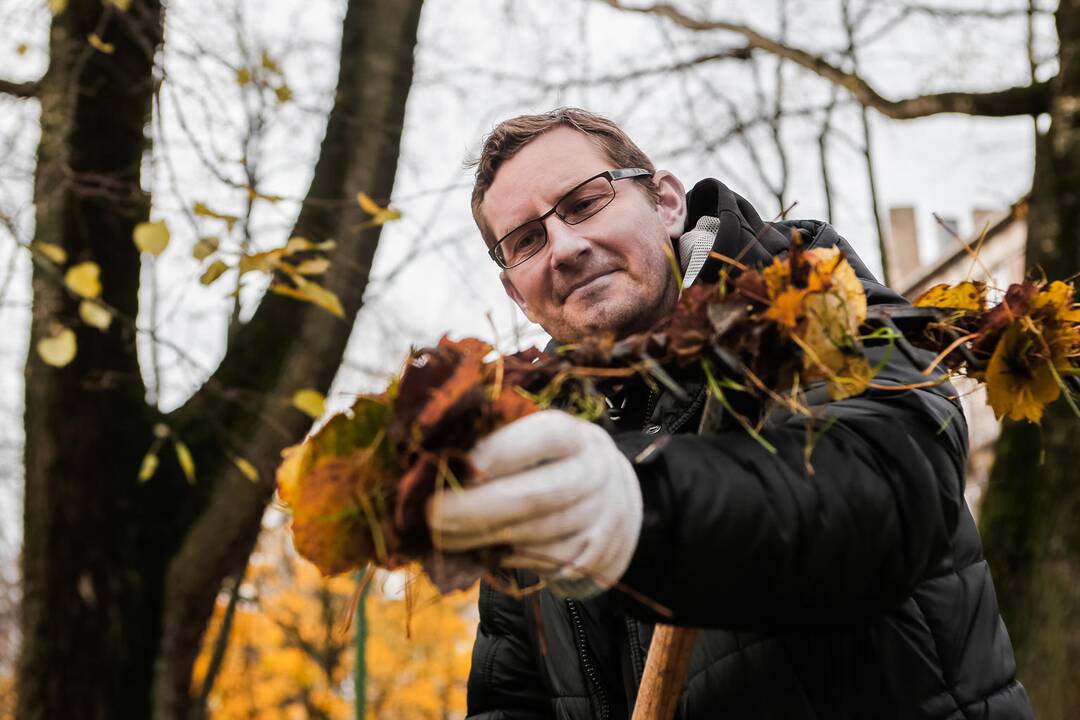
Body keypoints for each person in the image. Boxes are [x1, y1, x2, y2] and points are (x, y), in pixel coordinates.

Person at [425, 108, 1034, 719]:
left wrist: (630, 502)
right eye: (526, 240)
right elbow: (514, 698)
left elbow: (888, 497)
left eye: (585, 202)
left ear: (666, 202)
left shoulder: (817, 304)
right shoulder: (536, 445)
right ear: (514, 292)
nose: (565, 247)